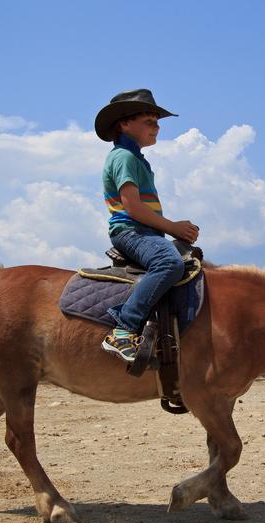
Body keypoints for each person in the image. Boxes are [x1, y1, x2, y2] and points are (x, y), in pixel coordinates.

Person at [93, 89, 200, 363]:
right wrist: (173, 227)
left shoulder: (138, 159)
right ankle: (124, 329)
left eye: (157, 122)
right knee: (169, 263)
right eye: (149, 122)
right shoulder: (123, 158)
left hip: (145, 231)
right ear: (125, 124)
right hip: (130, 232)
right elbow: (133, 207)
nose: (157, 127)